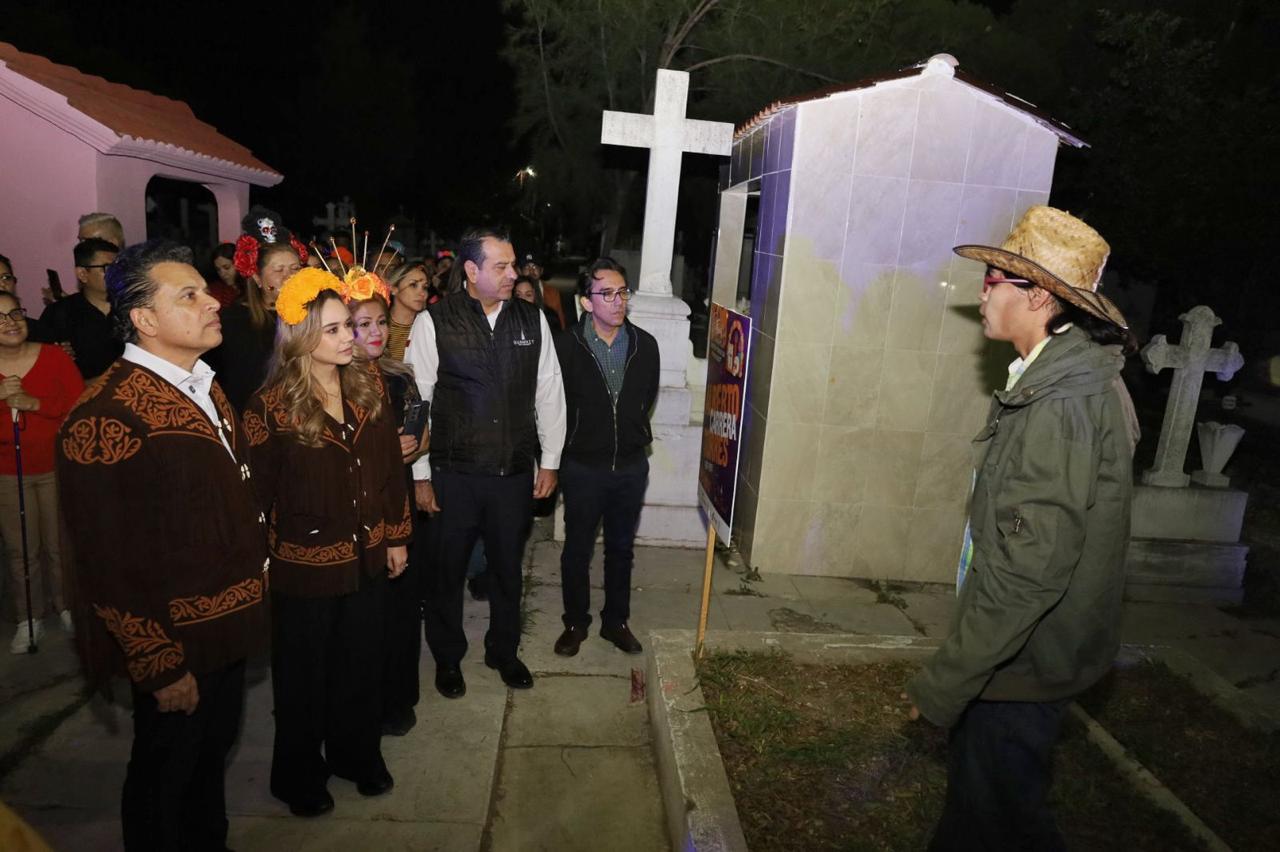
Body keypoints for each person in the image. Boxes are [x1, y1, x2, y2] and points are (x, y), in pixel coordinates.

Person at [904, 206, 1140, 850]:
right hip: (1026, 656)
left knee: (1000, 820)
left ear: (1038, 297)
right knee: (989, 816)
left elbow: (1028, 573)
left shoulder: (1060, 403)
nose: (982, 294)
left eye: (993, 282)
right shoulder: (1062, 379)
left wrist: (947, 682)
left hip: (1022, 662)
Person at [56, 239, 268, 850]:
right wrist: (158, 661)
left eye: (206, 291)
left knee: (210, 758)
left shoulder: (204, 383)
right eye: (190, 295)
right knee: (165, 778)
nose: (213, 303)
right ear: (145, 319)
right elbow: (107, 561)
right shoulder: (107, 414)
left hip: (225, 625)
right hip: (176, 638)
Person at [245, 268, 411, 817]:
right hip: (304, 568)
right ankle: (297, 775)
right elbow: (255, 496)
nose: (350, 338)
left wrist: (396, 536)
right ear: (301, 337)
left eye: (350, 327)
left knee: (361, 666)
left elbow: (389, 469)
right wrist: (256, 567)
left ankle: (356, 755)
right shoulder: (269, 408)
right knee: (303, 679)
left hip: (367, 556)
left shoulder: (368, 386)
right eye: (335, 329)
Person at [405, 226, 565, 697]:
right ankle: (447, 657)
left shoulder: (532, 320)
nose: (513, 274)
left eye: (513, 265)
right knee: (447, 572)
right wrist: (420, 475)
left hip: (511, 473)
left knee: (507, 570)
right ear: (472, 271)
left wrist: (550, 461)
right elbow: (419, 402)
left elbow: (549, 391)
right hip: (452, 474)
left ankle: (504, 651)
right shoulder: (435, 322)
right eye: (502, 266)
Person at [552, 259, 658, 657]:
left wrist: (630, 434)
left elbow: (645, 398)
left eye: (622, 292)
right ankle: (575, 623)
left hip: (630, 465)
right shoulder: (566, 346)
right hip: (583, 466)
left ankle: (616, 622)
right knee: (577, 548)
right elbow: (553, 405)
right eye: (607, 293)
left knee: (621, 549)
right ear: (586, 302)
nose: (618, 301)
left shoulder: (645, 345)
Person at [348, 277, 425, 736]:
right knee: (364, 617)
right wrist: (384, 452)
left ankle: (398, 699)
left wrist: (414, 446)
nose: (375, 332)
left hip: (399, 501)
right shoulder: (334, 381)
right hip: (358, 512)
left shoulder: (398, 376)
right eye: (363, 324)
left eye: (380, 322)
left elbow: (422, 433)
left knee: (400, 608)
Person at [0, 291, 83, 653]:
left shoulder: (53, 356)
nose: (10, 322)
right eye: (0, 317)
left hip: (54, 466)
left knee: (58, 543)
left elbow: (78, 403)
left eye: (15, 313)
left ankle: (66, 607)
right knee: (21, 548)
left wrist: (35, 403)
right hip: (8, 473)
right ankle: (28, 617)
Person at [206, 207, 307, 411]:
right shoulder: (233, 321)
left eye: (295, 268)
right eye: (278, 270)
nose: (289, 277)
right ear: (257, 278)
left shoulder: (311, 313)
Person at [38, 238, 122, 379]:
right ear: (82, 274)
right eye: (108, 268)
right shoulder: (60, 313)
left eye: (120, 267)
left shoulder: (134, 309)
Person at [384, 262, 431, 361]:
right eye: (413, 285)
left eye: (425, 287)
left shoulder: (429, 326)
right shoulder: (380, 326)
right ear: (394, 289)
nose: (422, 293)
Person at [520, 253, 567, 329]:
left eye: (535, 267)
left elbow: (560, 320)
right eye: (526, 267)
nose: (531, 271)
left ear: (541, 271)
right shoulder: (514, 292)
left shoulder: (552, 292)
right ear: (520, 271)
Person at [207, 242, 241, 308]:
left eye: (227, 267)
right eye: (218, 269)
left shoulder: (251, 288)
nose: (222, 274)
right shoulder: (215, 290)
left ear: (239, 264)